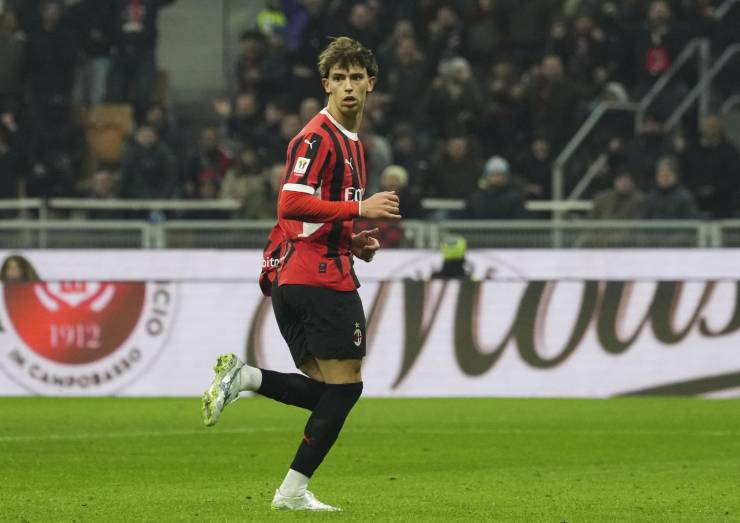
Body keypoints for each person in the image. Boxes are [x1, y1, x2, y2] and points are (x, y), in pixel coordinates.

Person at [202, 36, 400, 512]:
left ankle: (246, 378)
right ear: (325, 84)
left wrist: (350, 241)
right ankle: (290, 491)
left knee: (329, 392)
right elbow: (290, 202)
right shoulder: (318, 137)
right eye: (339, 78)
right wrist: (359, 208)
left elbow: (311, 218)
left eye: (356, 77)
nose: (348, 86)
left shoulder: (352, 142)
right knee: (346, 388)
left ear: (371, 84)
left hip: (302, 276)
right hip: (318, 280)